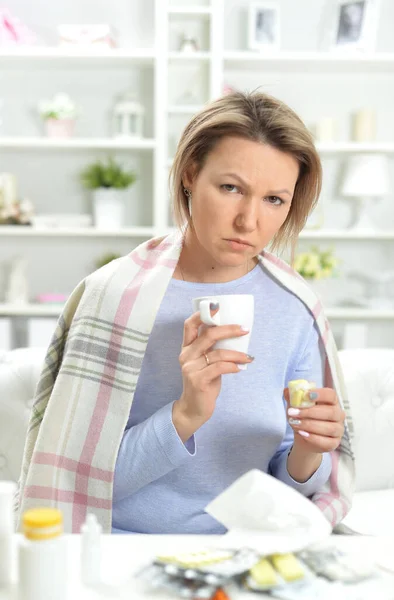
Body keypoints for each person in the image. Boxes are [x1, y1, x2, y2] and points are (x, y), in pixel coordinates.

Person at [16, 92, 354, 534]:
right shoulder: (112, 300)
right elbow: (74, 489)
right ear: (191, 174)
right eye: (231, 188)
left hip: (245, 550)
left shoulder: (294, 307)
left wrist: (309, 452)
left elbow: (288, 502)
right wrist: (185, 416)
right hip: (122, 546)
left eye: (274, 199)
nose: (248, 221)